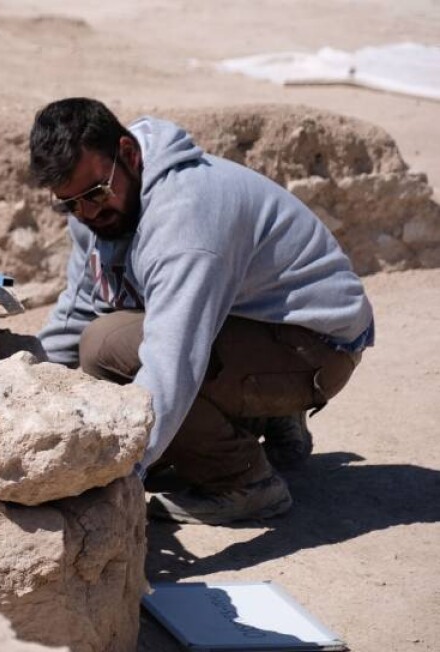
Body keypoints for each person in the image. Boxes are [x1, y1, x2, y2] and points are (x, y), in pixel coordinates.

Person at [29, 98, 374, 524]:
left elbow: (173, 362)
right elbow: (81, 306)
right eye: (70, 204)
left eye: (95, 194)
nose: (86, 213)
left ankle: (245, 482)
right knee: (103, 336)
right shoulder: (102, 204)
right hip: (262, 326)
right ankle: (265, 415)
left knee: (106, 348)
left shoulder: (186, 220)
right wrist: (27, 380)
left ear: (130, 154)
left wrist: (121, 476)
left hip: (320, 347)